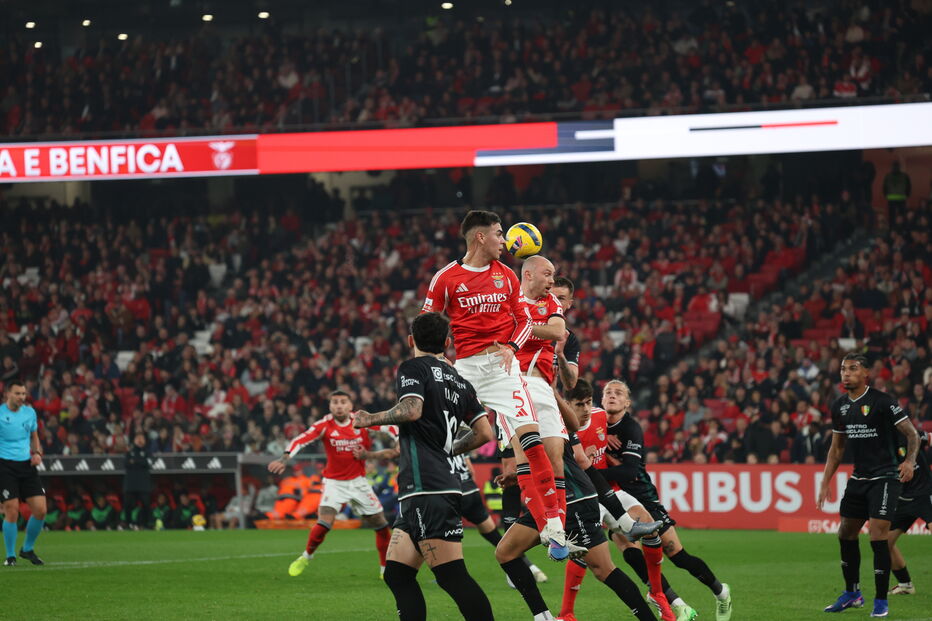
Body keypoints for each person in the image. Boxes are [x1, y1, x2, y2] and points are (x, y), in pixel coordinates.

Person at [422, 210, 568, 559]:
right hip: (466, 368)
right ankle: (419, 505)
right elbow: (425, 325)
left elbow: (522, 320)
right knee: (431, 432)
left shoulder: (506, 276)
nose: (506, 241)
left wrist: (514, 348)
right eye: (500, 234)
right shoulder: (446, 278)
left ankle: (554, 525)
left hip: (504, 369)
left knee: (531, 439)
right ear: (480, 237)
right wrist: (430, 363)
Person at [353, 311, 495, 621]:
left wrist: (370, 419)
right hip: (431, 486)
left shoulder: (412, 367)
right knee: (397, 575)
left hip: (426, 486)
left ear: (410, 340)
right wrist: (450, 449)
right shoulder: (460, 382)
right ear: (447, 342)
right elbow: (486, 433)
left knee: (451, 576)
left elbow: (412, 409)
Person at [559, 379, 697, 621]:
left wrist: (608, 439)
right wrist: (581, 457)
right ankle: (566, 613)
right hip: (583, 496)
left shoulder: (601, 416)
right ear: (566, 404)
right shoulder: (560, 427)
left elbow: (615, 425)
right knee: (588, 554)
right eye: (579, 404)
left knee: (648, 524)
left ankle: (657, 593)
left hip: (608, 491)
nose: (585, 409)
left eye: (589, 402)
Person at [601, 380, 732, 621]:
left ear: (627, 403)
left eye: (618, 393)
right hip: (615, 498)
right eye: (608, 392)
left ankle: (721, 592)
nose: (612, 395)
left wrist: (592, 474)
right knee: (630, 552)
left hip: (642, 496)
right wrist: (599, 439)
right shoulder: (594, 425)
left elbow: (629, 472)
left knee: (676, 554)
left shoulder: (631, 429)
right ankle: (674, 603)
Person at [496, 430, 658, 621]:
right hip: (545, 501)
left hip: (573, 499)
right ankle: (544, 617)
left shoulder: (543, 414)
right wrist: (519, 475)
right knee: (505, 552)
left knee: (603, 569)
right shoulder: (511, 416)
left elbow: (558, 454)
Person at [818, 353, 920, 618]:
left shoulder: (883, 402)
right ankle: (853, 594)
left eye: (852, 369)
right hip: (859, 478)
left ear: (866, 374)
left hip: (885, 477)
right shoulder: (839, 406)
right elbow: (837, 448)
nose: (846, 373)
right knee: (845, 534)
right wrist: (825, 481)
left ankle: (880, 600)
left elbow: (911, 434)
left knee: (877, 537)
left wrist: (909, 461)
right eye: (842, 369)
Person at [268, 390, 398, 578]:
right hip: (334, 483)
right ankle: (306, 556)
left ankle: (385, 569)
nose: (339, 406)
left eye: (343, 402)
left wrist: (399, 440)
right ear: (330, 406)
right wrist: (284, 457)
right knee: (324, 522)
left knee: (380, 524)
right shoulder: (324, 425)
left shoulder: (361, 420)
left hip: (358, 482)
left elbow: (391, 427)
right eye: (335, 402)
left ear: (350, 406)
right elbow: (301, 439)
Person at [451, 451, 548, 586]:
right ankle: (531, 567)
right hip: (471, 492)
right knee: (496, 538)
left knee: (441, 538)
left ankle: (448, 574)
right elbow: (471, 471)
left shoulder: (432, 442)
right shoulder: (456, 440)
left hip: (450, 494)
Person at [0, 381, 46, 566]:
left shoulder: (30, 412)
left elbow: (34, 437)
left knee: (41, 510)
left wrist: (37, 453)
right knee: (12, 510)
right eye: (17, 393)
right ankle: (10, 556)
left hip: (26, 466)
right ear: (7, 395)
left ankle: (27, 549)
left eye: (24, 394)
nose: (21, 397)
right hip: (5, 466)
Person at [887, 427, 932, 595]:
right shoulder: (878, 442)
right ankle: (905, 584)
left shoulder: (912, 433)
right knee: (883, 542)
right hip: (903, 498)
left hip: (926, 493)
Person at [123, 432, 152, 530]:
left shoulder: (148, 452)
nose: (139, 440)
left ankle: (144, 524)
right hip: (130, 483)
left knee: (146, 504)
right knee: (128, 504)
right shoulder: (129, 452)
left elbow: (148, 463)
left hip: (143, 483)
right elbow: (126, 463)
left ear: (145, 440)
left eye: (141, 438)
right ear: (134, 440)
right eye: (137, 438)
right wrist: (140, 461)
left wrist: (135, 461)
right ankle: (128, 523)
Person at [882, 162, 911, 226]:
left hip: (891, 198)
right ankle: (901, 229)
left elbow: (884, 187)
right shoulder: (904, 176)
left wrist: (886, 195)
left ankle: (893, 229)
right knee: (901, 215)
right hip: (901, 198)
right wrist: (907, 195)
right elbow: (908, 187)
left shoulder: (888, 176)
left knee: (892, 216)